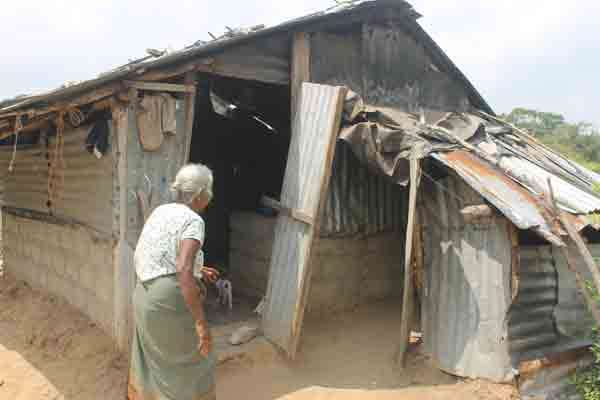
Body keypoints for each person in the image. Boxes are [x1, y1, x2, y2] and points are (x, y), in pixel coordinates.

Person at [128, 163, 220, 400]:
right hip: (167, 302)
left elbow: (164, 254)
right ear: (200, 195)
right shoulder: (194, 221)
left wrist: (200, 269)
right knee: (196, 359)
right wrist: (201, 323)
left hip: (143, 295)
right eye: (209, 191)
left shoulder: (161, 211)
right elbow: (183, 267)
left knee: (155, 365)